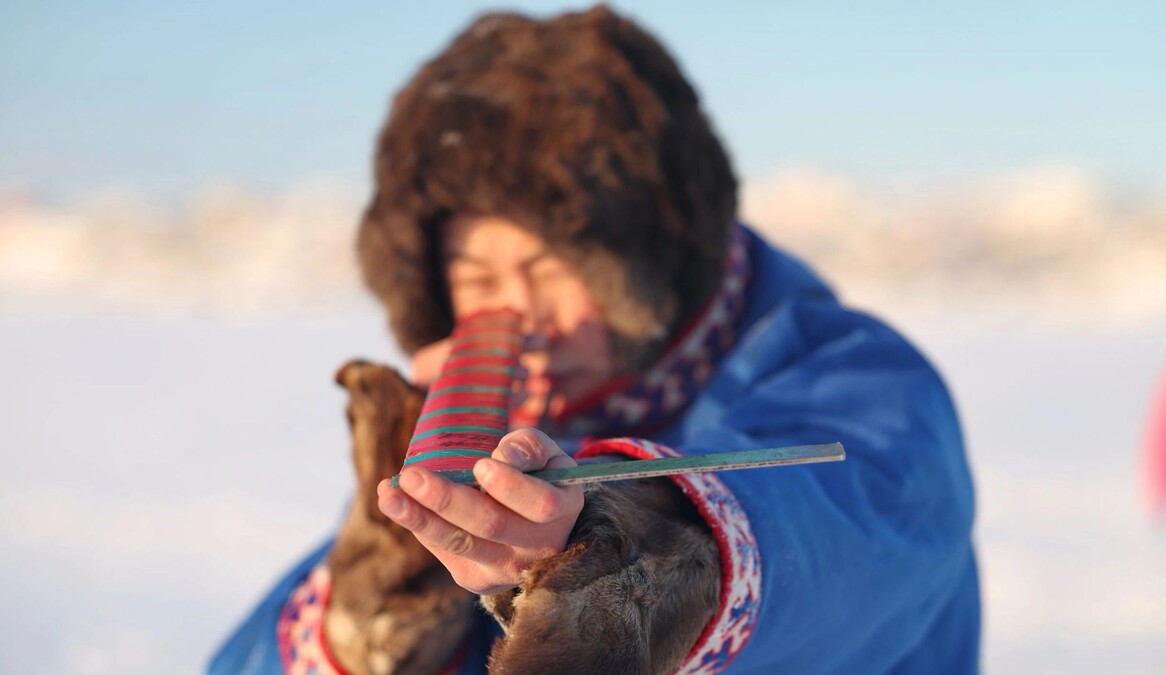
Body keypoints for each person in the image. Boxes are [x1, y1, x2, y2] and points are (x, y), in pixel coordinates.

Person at [210, 5, 979, 673]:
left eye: (549, 269)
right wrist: (386, 584)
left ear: (650, 258)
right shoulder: (492, 448)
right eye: (476, 281)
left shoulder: (857, 377)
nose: (523, 319)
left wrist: (616, 547)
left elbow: (843, 539)